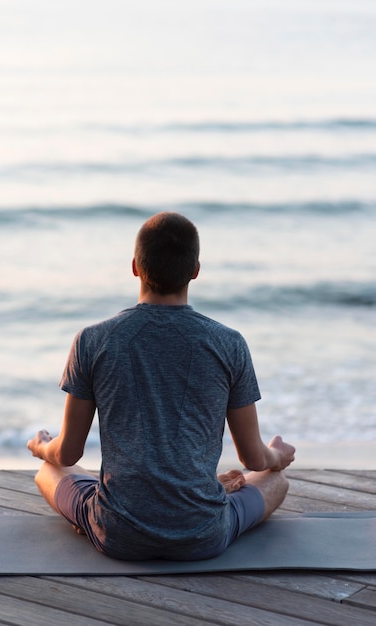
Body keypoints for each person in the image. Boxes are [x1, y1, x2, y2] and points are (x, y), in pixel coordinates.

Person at [27, 211, 295, 561]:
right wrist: (278, 454)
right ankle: (207, 490)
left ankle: (115, 505)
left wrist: (42, 447)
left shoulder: (92, 340)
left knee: (50, 471)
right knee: (276, 481)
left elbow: (68, 455)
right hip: (204, 536)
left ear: (135, 267)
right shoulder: (229, 343)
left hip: (117, 534)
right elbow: (253, 458)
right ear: (195, 270)